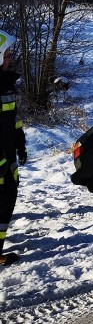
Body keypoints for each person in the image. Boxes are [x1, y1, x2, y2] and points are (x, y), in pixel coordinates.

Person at [0, 30, 26, 266]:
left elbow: (12, 120)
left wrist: (21, 143)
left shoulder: (7, 85)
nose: (9, 59)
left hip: (8, 156)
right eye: (6, 55)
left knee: (8, 199)